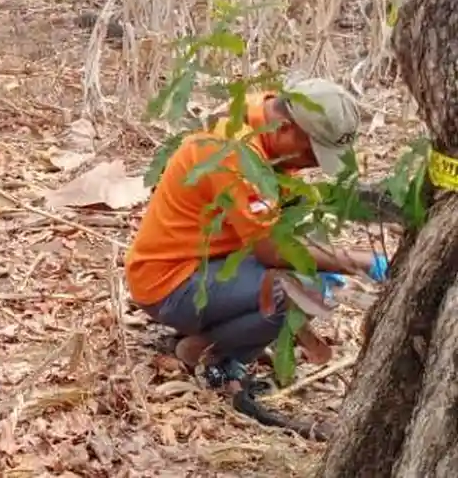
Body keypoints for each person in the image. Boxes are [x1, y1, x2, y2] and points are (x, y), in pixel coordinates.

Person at [124, 78, 389, 388]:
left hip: (211, 262)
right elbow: (270, 250)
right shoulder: (237, 155)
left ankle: (221, 330)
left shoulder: (262, 112)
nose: (310, 165)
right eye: (310, 154)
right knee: (303, 291)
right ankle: (209, 352)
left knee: (310, 274)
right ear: (285, 128)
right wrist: (358, 261)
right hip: (171, 283)